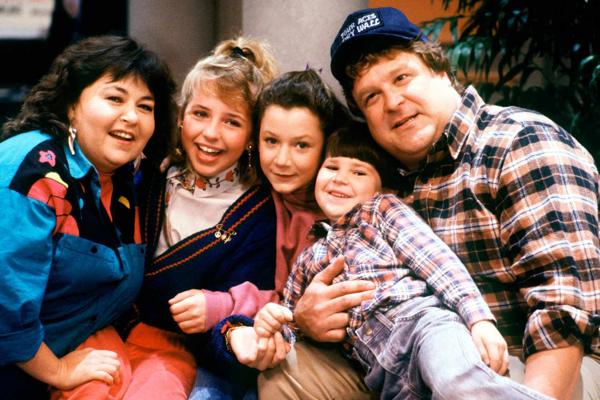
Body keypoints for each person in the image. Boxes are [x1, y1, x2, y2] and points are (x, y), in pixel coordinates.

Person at [261, 6, 600, 400]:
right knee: (286, 374)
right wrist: (306, 319)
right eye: (371, 97)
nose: (392, 102)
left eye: (402, 77)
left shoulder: (519, 141)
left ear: (439, 69)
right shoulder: (381, 184)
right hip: (411, 362)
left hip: (529, 362)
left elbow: (564, 312)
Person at [254, 124, 554, 399]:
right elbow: (294, 318)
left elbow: (436, 261)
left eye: (359, 172)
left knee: (456, 383)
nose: (340, 178)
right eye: (331, 167)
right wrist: (279, 325)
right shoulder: (309, 256)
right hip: (381, 370)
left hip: (424, 327)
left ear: (381, 188)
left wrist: (478, 319)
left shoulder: (381, 210)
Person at [0, 35, 176, 400]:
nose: (132, 117)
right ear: (71, 105)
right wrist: (58, 370)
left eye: (145, 106)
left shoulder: (124, 180)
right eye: (115, 98)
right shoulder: (31, 171)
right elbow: (5, 304)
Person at [124, 37, 278, 400]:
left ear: (252, 136)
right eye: (200, 114)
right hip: (114, 337)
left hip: (199, 359)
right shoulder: (149, 174)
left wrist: (215, 308)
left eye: (232, 122)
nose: (210, 134)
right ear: (181, 117)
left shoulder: (258, 213)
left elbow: (246, 328)